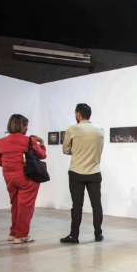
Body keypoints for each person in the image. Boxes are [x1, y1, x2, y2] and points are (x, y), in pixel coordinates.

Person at [0, 114, 47, 244]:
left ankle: (13, 233)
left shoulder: (0, 142)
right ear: (21, 126)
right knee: (26, 207)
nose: (27, 128)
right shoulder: (29, 141)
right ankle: (22, 235)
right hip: (27, 177)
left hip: (9, 178)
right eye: (26, 126)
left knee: (15, 205)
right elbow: (42, 155)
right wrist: (41, 143)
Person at [60, 103, 104, 243]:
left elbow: (65, 150)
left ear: (78, 114)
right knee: (96, 205)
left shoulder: (72, 129)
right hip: (94, 172)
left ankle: (74, 236)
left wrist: (77, 151)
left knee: (77, 206)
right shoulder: (99, 131)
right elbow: (99, 151)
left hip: (76, 172)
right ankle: (98, 234)